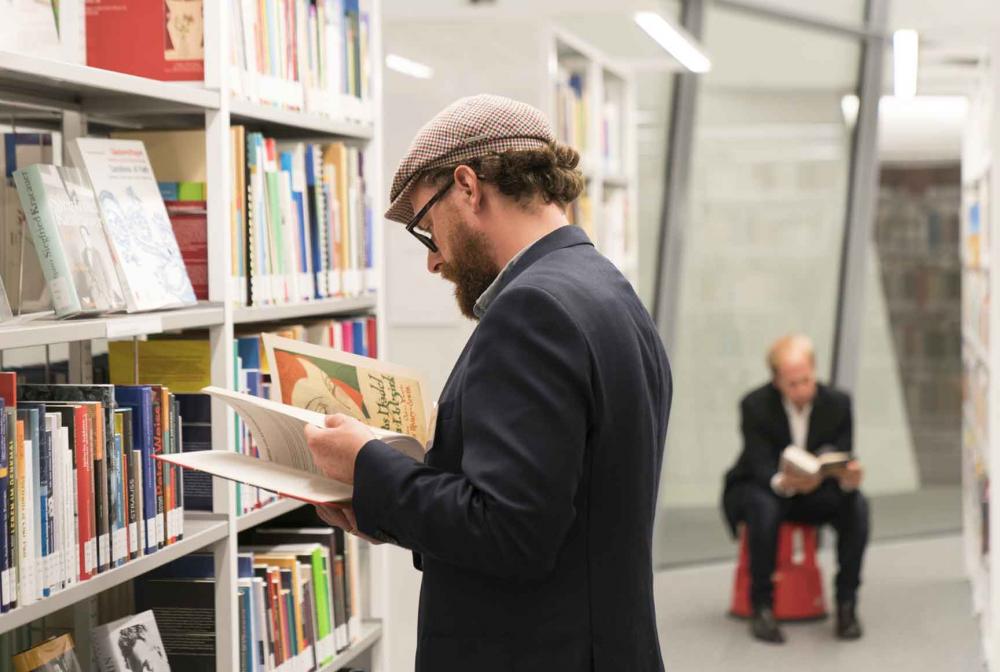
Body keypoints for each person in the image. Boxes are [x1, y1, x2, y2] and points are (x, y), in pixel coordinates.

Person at [303, 94, 672, 671]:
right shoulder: (606, 289)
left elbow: (509, 531)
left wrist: (367, 463)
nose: (433, 260)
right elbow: (556, 510)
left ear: (469, 187)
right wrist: (384, 503)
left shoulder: (532, 311)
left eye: (426, 228)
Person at [722, 334, 869, 644]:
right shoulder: (755, 405)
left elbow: (841, 453)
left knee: (857, 506)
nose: (802, 389)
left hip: (817, 490)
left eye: (807, 380)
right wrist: (783, 482)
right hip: (765, 487)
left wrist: (846, 477)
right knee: (763, 507)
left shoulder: (838, 403)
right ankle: (762, 606)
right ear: (776, 381)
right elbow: (758, 462)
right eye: (792, 384)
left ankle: (847, 604)